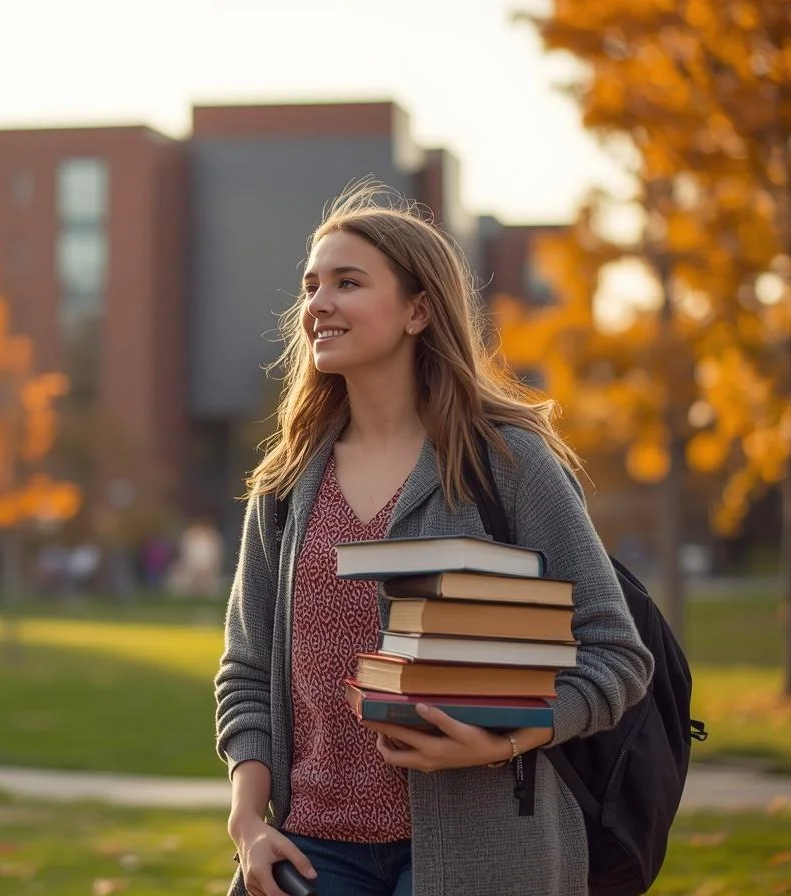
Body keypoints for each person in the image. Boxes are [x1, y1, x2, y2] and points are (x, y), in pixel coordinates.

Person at [213, 185, 654, 896]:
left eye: (347, 282)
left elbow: (615, 656)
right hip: (312, 857)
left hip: (485, 856)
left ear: (419, 309)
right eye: (311, 285)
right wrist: (247, 822)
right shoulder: (286, 482)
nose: (317, 303)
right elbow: (247, 673)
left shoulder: (508, 464)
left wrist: (507, 740)